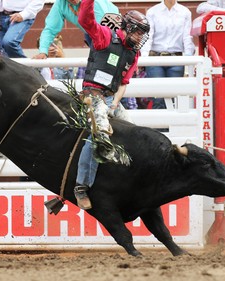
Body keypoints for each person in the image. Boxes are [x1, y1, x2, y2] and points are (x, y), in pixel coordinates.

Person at [73, 0, 150, 209]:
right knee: (99, 132)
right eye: (139, 32)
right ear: (129, 27)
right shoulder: (105, 36)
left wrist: (114, 104)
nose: (140, 37)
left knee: (133, 131)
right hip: (91, 95)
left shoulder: (134, 54)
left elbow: (123, 83)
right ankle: (82, 186)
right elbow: (85, 19)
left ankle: (131, 180)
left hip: (110, 98)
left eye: (143, 34)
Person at [141, 0, 195, 110]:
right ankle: (159, 127)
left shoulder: (185, 12)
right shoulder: (152, 12)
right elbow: (148, 37)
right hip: (155, 59)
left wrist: (189, 63)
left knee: (175, 97)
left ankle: (173, 127)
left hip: (176, 59)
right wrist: (144, 59)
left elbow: (187, 38)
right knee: (158, 98)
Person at [32, 0, 119, 60]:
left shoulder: (95, 3)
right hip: (90, 33)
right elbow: (50, 29)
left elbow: (105, 31)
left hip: (112, 30)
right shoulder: (60, 3)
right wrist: (43, 51)